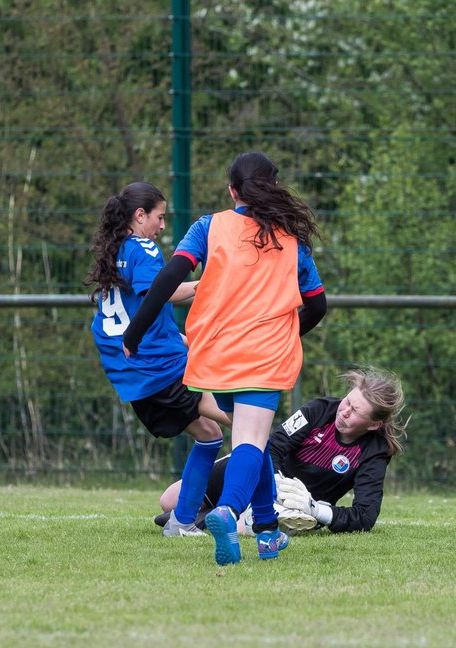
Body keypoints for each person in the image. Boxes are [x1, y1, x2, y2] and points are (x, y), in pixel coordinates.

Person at [123, 152, 328, 566]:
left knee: (252, 440)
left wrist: (135, 331)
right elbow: (317, 305)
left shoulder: (208, 226)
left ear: (232, 190)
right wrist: (285, 334)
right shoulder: (291, 240)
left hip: (216, 354)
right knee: (251, 441)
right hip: (263, 355)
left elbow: (169, 277)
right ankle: (228, 511)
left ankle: (268, 531)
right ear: (272, 186)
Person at [86, 181, 229, 537]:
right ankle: (261, 510)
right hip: (160, 369)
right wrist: (206, 284)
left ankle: (182, 520)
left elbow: (139, 313)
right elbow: (159, 293)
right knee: (246, 422)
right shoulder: (143, 248)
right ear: (140, 216)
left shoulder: (113, 251)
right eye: (159, 217)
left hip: (133, 376)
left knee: (210, 434)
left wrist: (181, 340)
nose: (162, 227)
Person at [156, 368, 407, 535]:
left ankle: (200, 520)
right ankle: (198, 515)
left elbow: (365, 515)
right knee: (168, 500)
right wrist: (275, 482)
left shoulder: (375, 451)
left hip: (291, 509)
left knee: (243, 526)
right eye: (348, 402)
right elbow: (273, 445)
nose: (345, 411)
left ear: (374, 424)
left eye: (356, 412)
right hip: (262, 473)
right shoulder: (319, 410)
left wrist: (314, 509)